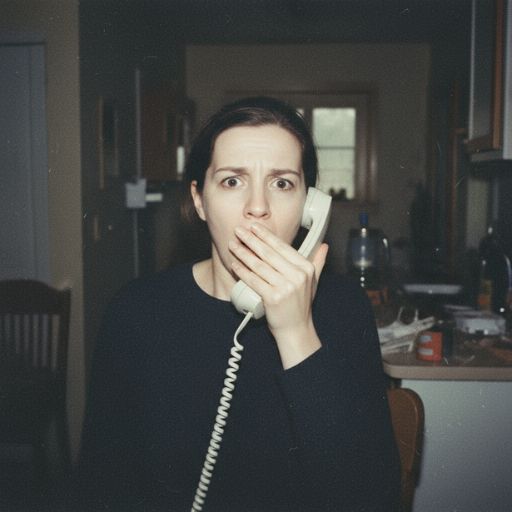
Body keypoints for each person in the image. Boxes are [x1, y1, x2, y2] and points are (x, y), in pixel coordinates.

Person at [74, 97, 400, 511]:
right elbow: (99, 486)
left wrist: (296, 332)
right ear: (199, 200)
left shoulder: (344, 309)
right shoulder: (136, 312)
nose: (257, 208)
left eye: (282, 183)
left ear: (309, 206)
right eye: (232, 181)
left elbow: (372, 498)